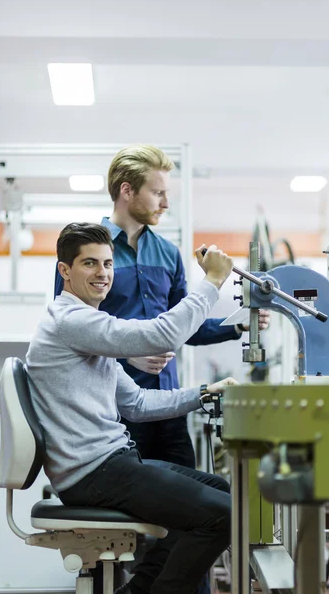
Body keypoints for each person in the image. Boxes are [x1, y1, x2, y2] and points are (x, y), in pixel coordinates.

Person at [27, 223, 236, 594]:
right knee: (224, 515)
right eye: (89, 263)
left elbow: (137, 403)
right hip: (94, 473)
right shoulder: (71, 321)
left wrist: (204, 393)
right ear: (65, 271)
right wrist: (212, 282)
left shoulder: (88, 329)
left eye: (108, 264)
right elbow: (161, 335)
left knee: (219, 488)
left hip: (113, 463)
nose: (103, 274)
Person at [55, 144, 269, 470]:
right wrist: (126, 353)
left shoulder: (168, 254)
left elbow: (186, 326)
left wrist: (238, 325)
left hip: (167, 403)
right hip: (112, 405)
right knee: (130, 510)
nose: (166, 203)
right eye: (157, 193)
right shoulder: (86, 252)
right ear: (127, 191)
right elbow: (67, 330)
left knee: (190, 505)